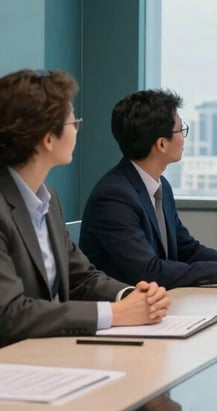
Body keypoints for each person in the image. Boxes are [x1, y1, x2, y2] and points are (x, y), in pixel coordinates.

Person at [0, 70, 171, 347]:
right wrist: (113, 314)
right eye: (74, 123)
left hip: (52, 354)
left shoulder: (48, 199)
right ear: (47, 138)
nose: (77, 130)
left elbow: (81, 277)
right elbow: (9, 314)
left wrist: (131, 296)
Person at [80, 90, 217, 289]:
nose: (183, 138)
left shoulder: (160, 185)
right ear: (161, 144)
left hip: (161, 303)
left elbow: (186, 248)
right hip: (127, 312)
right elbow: (148, 272)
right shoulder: (114, 198)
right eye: (180, 130)